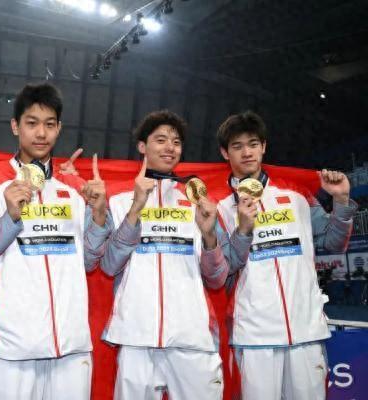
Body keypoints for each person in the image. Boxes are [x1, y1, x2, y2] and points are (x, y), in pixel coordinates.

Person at [0, 82, 110, 400]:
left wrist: (99, 215)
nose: (41, 133)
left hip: (71, 345)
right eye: (31, 123)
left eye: (49, 124)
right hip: (10, 346)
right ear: (16, 126)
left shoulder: (75, 186)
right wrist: (10, 218)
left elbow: (88, 262)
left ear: (59, 128)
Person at [214, 111, 356, 400]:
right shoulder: (219, 207)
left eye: (253, 144)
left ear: (263, 147)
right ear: (225, 153)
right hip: (254, 333)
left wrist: (341, 200)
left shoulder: (297, 195)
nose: (247, 152)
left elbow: (334, 244)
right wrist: (243, 229)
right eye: (237, 146)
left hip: (305, 330)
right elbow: (224, 269)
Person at [94, 110, 229, 399]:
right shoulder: (119, 201)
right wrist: (136, 209)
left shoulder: (198, 202)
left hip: (192, 334)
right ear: (142, 146)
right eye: (161, 140)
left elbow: (217, 278)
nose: (170, 147)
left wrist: (209, 236)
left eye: (176, 142)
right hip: (136, 333)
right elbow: (109, 265)